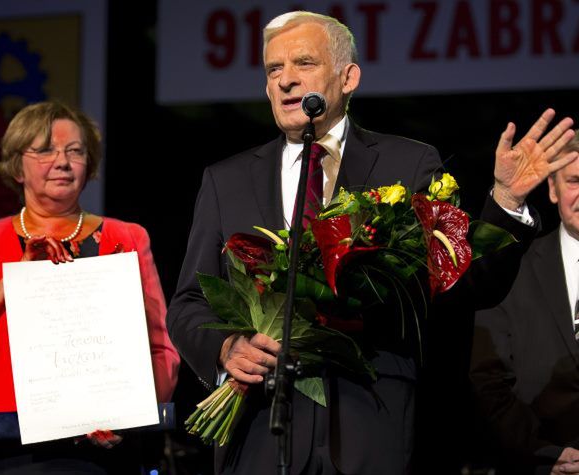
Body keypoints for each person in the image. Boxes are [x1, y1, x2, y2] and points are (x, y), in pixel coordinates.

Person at [166, 11, 578, 475]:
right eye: (273, 70)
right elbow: (187, 304)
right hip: (262, 427)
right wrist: (226, 346)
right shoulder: (226, 181)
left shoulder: (409, 163)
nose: (285, 81)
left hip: (373, 423)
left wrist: (504, 200)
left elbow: (465, 284)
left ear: (348, 77)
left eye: (303, 63)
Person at [0, 101, 180, 474]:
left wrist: (131, 413)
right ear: (16, 166)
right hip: (7, 450)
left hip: (105, 453)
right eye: (44, 150)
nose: (62, 161)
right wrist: (16, 277)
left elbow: (161, 347)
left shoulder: (127, 237)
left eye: (75, 151)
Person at [470, 132, 579, 475]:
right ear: (552, 189)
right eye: (575, 181)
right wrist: (543, 454)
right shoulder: (512, 269)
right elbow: (486, 377)